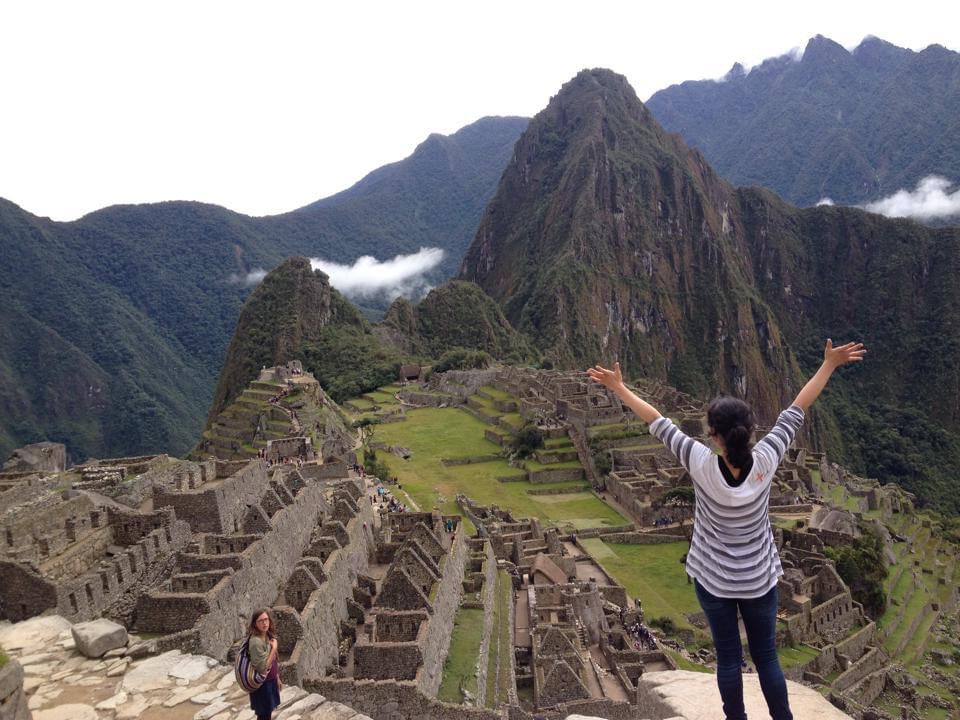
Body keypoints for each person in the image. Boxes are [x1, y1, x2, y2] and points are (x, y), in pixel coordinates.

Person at [588, 339, 865, 720]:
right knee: (767, 657)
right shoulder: (766, 458)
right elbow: (798, 408)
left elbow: (656, 421)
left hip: (714, 580)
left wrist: (619, 387)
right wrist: (829, 365)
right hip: (759, 580)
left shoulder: (699, 461)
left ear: (714, 436)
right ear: (750, 432)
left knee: (729, 658)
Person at [247, 608, 283, 720]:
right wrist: (274, 648)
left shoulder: (266, 635)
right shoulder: (255, 642)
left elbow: (273, 661)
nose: (264, 623)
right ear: (255, 624)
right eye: (261, 621)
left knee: (266, 714)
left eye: (266, 619)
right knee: (264, 716)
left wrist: (277, 678)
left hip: (270, 681)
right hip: (262, 685)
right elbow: (262, 668)